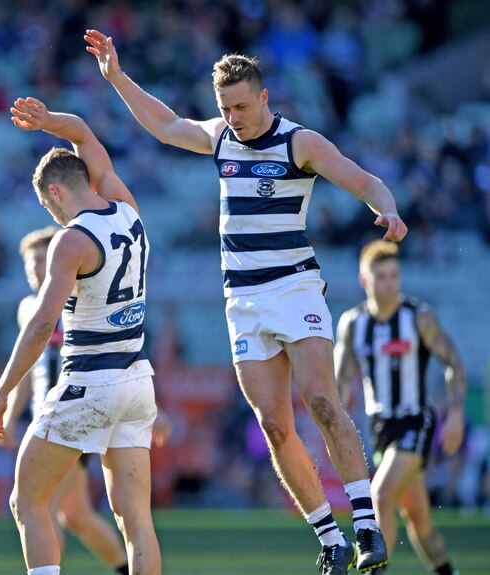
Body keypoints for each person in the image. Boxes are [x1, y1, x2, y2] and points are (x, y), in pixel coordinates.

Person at [84, 29, 408, 575]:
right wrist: (116, 77)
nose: (233, 116)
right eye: (224, 108)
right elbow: (165, 125)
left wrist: (389, 210)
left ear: (263, 96)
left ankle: (367, 525)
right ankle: (329, 537)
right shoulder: (220, 139)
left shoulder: (298, 142)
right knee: (275, 425)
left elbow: (365, 180)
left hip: (295, 287)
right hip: (244, 298)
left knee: (322, 402)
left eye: (240, 105)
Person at [0, 97, 161, 575]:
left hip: (91, 381)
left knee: (28, 501)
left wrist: (1, 392)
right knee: (136, 521)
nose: (51, 213)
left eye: (46, 203)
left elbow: (43, 324)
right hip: (137, 377)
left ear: (57, 193)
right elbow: (85, 134)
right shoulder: (128, 209)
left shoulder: (71, 240)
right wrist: (52, 124)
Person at [3, 225, 130, 574]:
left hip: (73, 413)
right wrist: (13, 414)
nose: (33, 268)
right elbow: (29, 370)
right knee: (75, 514)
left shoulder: (79, 302)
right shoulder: (29, 308)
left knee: (37, 503)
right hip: (49, 417)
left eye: (41, 259)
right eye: (29, 262)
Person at [335, 240, 464, 575]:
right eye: (381, 276)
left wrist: (456, 413)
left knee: (381, 494)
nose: (389, 283)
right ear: (365, 280)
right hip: (380, 429)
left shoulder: (418, 317)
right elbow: (340, 380)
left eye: (394, 275)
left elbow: (453, 363)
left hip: (415, 421)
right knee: (419, 521)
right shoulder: (352, 324)